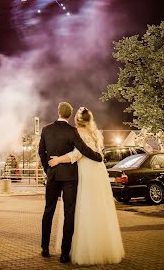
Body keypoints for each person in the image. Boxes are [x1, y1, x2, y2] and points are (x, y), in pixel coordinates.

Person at [49, 107, 125, 266]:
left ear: (77, 120)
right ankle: (104, 248)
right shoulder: (97, 133)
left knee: (83, 208)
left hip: (86, 173)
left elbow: (77, 154)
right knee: (100, 208)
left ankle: (86, 251)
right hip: (99, 173)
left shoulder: (79, 134)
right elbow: (99, 153)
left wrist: (58, 160)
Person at [38, 102, 104, 264]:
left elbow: (41, 152)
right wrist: (98, 157)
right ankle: (65, 254)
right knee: (69, 213)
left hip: (53, 175)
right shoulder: (73, 132)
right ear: (69, 115)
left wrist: (48, 169)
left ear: (59, 112)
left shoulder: (46, 129)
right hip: (69, 177)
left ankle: (45, 248)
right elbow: (83, 149)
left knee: (48, 210)